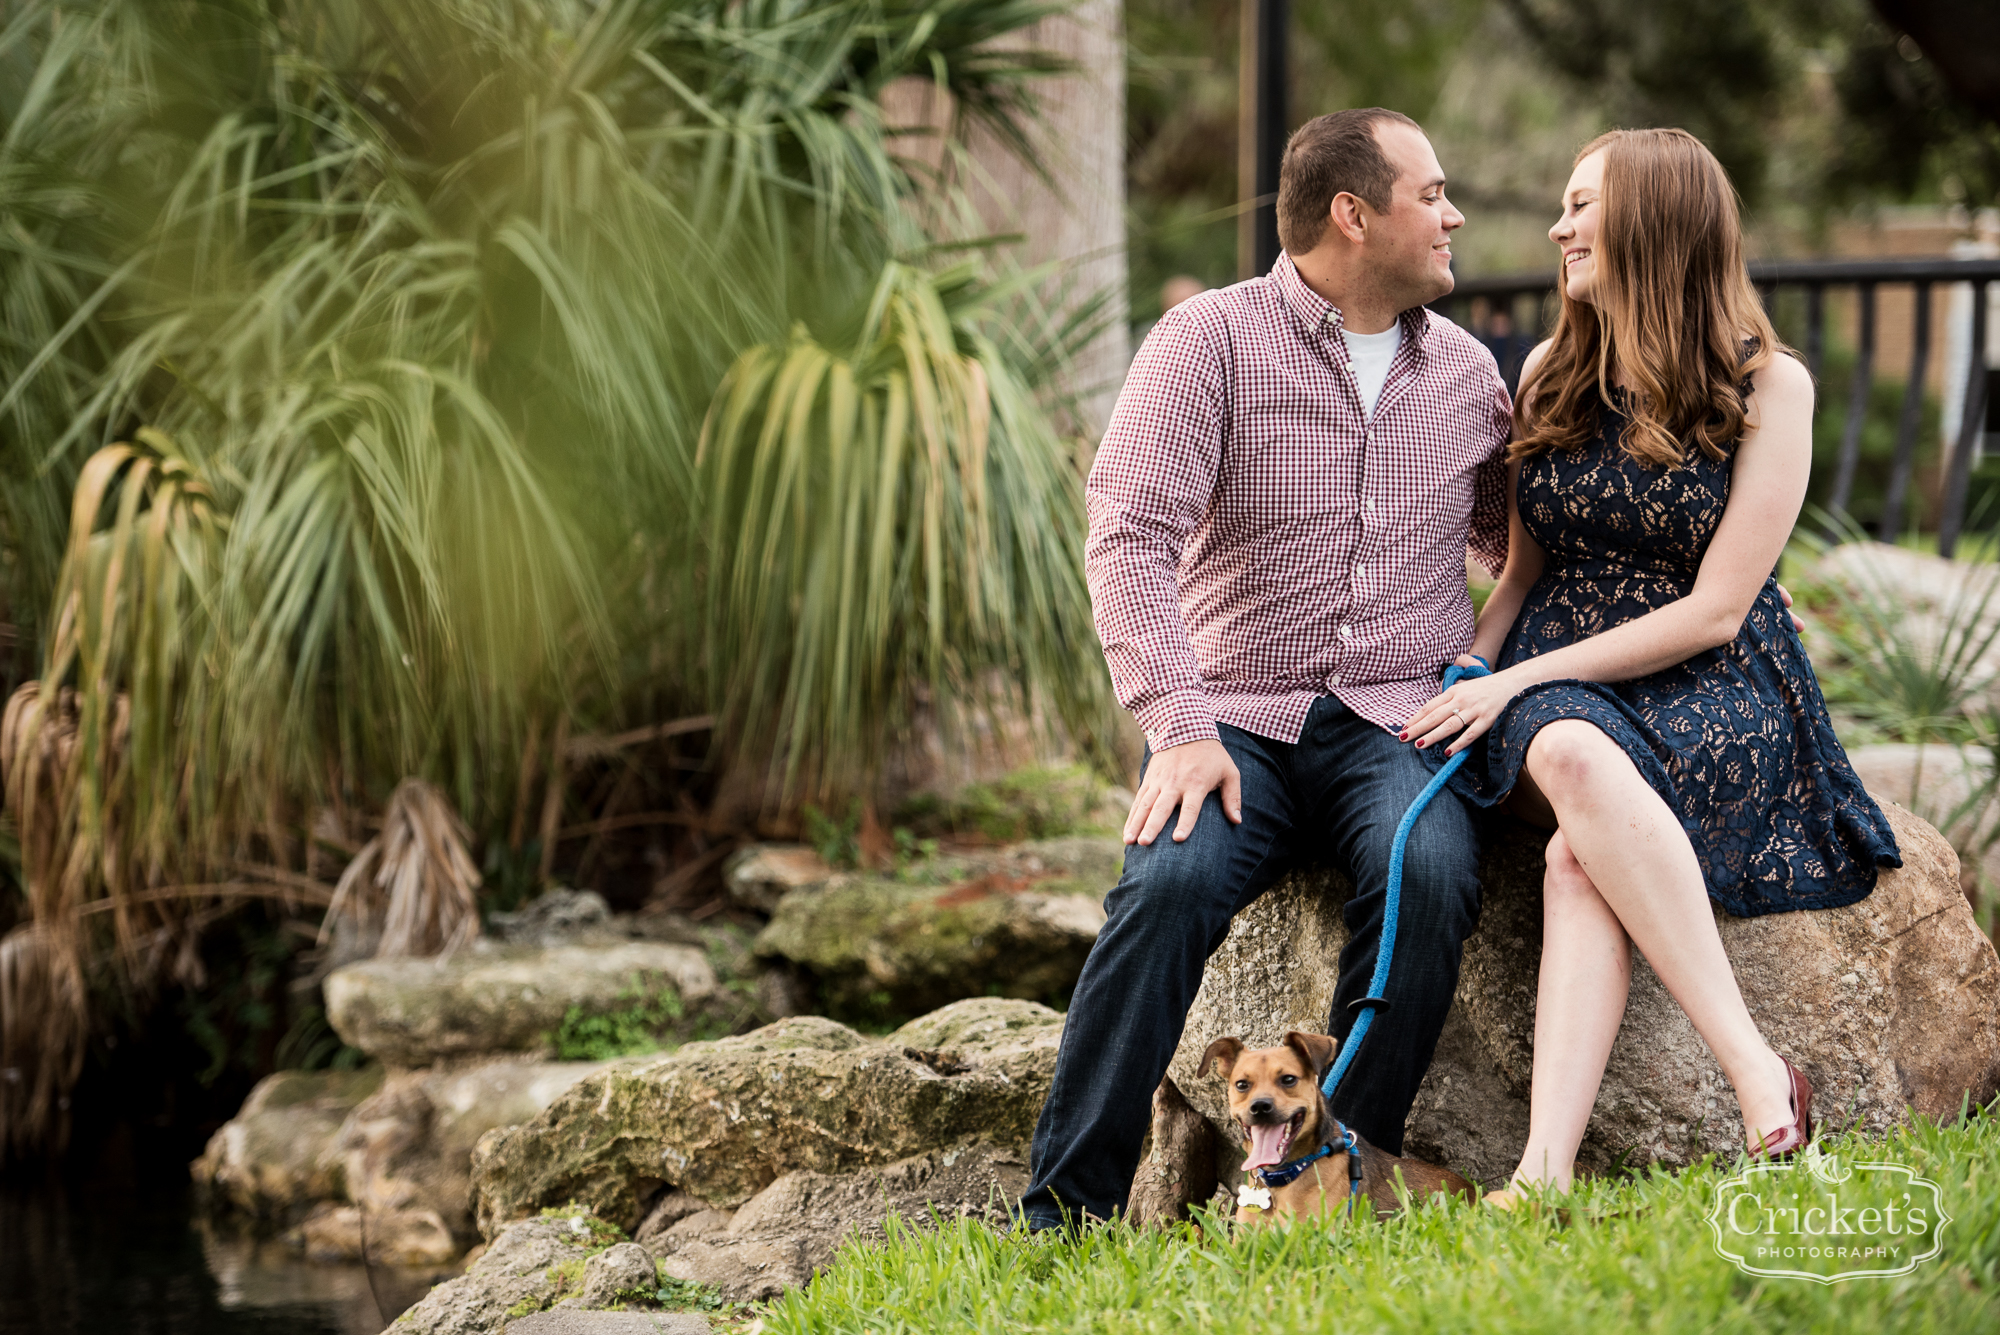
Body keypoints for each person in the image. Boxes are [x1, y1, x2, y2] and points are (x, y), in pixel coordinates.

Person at [1018, 107, 1512, 1231]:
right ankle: (1065, 1214)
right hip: (1231, 717)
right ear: (1352, 214)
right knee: (1164, 888)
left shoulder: (1468, 374)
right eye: (1429, 193)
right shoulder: (1206, 344)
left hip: (1396, 717)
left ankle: (1333, 1195)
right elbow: (1128, 534)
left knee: (1424, 873)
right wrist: (1177, 724)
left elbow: (1508, 546)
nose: (1453, 215)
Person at [1399, 128, 1901, 1205]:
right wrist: (1471, 668)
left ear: (1655, 220)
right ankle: (1758, 1086)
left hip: (1711, 684)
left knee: (1579, 853)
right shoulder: (1546, 370)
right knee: (1575, 756)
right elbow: (1521, 576)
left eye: (1581, 205)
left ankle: (1556, 1165)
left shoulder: (1770, 386)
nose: (1557, 228)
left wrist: (1513, 683)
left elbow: (1717, 612)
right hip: (1559, 683)